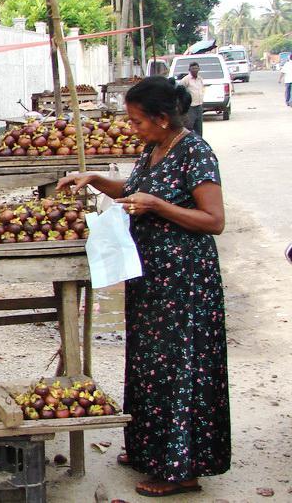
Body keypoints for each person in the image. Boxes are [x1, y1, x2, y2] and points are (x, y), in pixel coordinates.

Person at [58, 76, 229, 498]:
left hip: (186, 280)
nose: (133, 128)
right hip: (152, 276)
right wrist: (95, 178)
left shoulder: (196, 152)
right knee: (150, 365)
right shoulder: (155, 149)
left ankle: (181, 470)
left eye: (137, 122)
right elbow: (133, 192)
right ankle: (150, 451)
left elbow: (214, 221)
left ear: (163, 118)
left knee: (179, 367)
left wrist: (159, 206)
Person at [179, 61, 204, 135]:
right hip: (190, 107)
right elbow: (180, 91)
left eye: (196, 68)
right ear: (189, 69)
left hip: (199, 106)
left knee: (199, 128)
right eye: (193, 68)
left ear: (199, 69)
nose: (195, 70)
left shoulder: (200, 79)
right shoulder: (186, 80)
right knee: (189, 127)